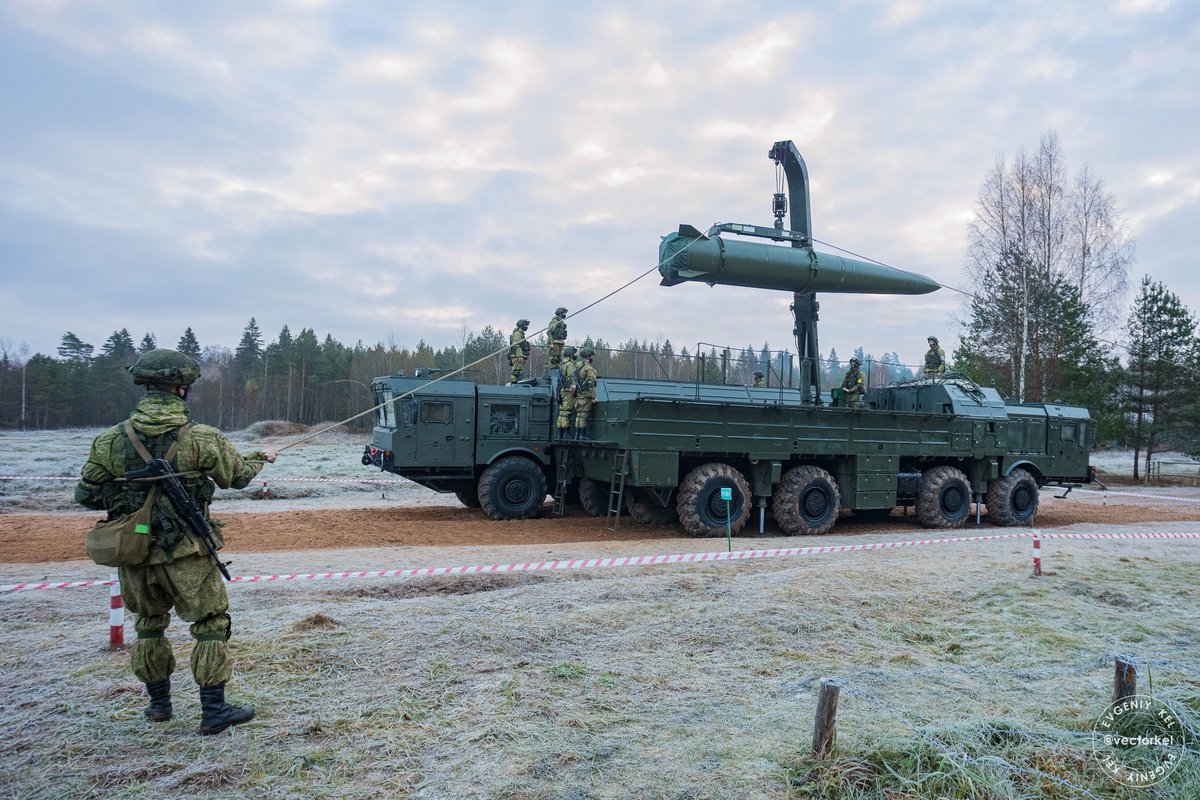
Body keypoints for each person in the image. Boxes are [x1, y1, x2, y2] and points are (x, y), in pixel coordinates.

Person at [75, 349, 277, 736]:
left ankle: (158, 705)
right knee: (210, 623)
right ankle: (214, 710)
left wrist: (129, 498)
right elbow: (236, 477)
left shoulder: (109, 440)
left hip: (132, 551)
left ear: (146, 387)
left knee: (148, 624)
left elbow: (85, 494)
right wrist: (261, 458)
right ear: (182, 388)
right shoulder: (202, 438)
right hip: (187, 551)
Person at [573, 347, 598, 440]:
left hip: (579, 395)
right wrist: (593, 397)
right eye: (591, 356)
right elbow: (591, 383)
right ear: (588, 356)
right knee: (584, 414)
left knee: (579, 414)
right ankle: (582, 435)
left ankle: (577, 434)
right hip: (586, 395)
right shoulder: (588, 368)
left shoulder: (578, 366)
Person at [555, 345, 579, 438]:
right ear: (570, 354)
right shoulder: (570, 364)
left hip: (563, 390)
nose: (575, 355)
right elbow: (572, 376)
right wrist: (573, 387)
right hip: (568, 390)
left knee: (562, 411)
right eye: (574, 353)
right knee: (566, 411)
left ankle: (559, 432)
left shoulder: (563, 364)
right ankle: (566, 433)